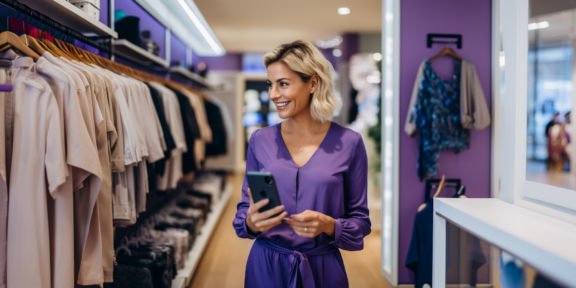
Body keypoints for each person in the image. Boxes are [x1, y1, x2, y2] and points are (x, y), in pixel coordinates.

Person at [232, 40, 371, 288]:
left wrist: (330, 225)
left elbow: (361, 222)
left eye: (283, 84)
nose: (274, 94)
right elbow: (244, 211)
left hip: (323, 270)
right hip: (265, 266)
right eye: (270, 85)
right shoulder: (259, 140)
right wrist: (251, 223)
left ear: (313, 83)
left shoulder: (350, 143)